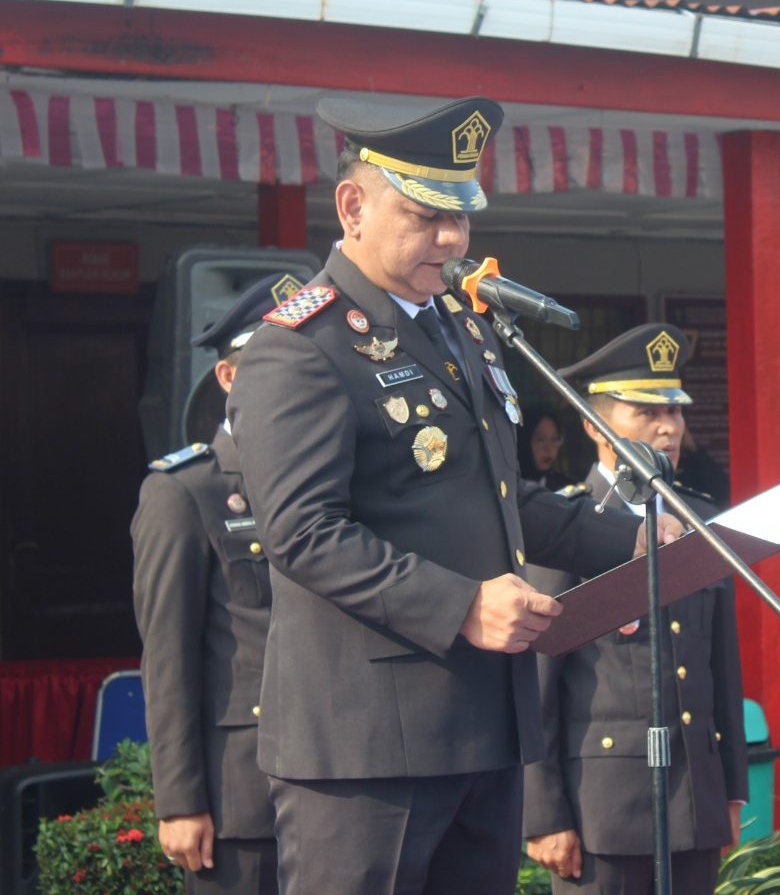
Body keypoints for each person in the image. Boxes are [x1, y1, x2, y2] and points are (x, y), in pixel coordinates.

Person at [226, 96, 669, 894]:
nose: (454, 237)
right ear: (353, 206)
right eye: (426, 213)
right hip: (366, 749)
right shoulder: (300, 347)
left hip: (483, 728)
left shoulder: (461, 330)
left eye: (462, 215)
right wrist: (461, 604)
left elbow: (504, 497)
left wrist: (634, 540)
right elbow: (302, 532)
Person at [522, 323, 748, 895]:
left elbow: (722, 664)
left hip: (694, 797)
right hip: (601, 808)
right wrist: (544, 812)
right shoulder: (566, 526)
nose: (668, 426)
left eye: (674, 410)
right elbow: (537, 679)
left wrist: (730, 789)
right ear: (594, 423)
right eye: (646, 411)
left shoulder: (699, 518)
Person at [131, 271, 303, 895]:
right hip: (243, 800)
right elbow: (169, 658)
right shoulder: (186, 491)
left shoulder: (338, 484)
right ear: (229, 378)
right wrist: (178, 800)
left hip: (340, 789)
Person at [519, 405, 576, 490]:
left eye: (555, 439)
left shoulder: (567, 488)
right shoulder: (509, 489)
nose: (549, 448)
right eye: (540, 440)